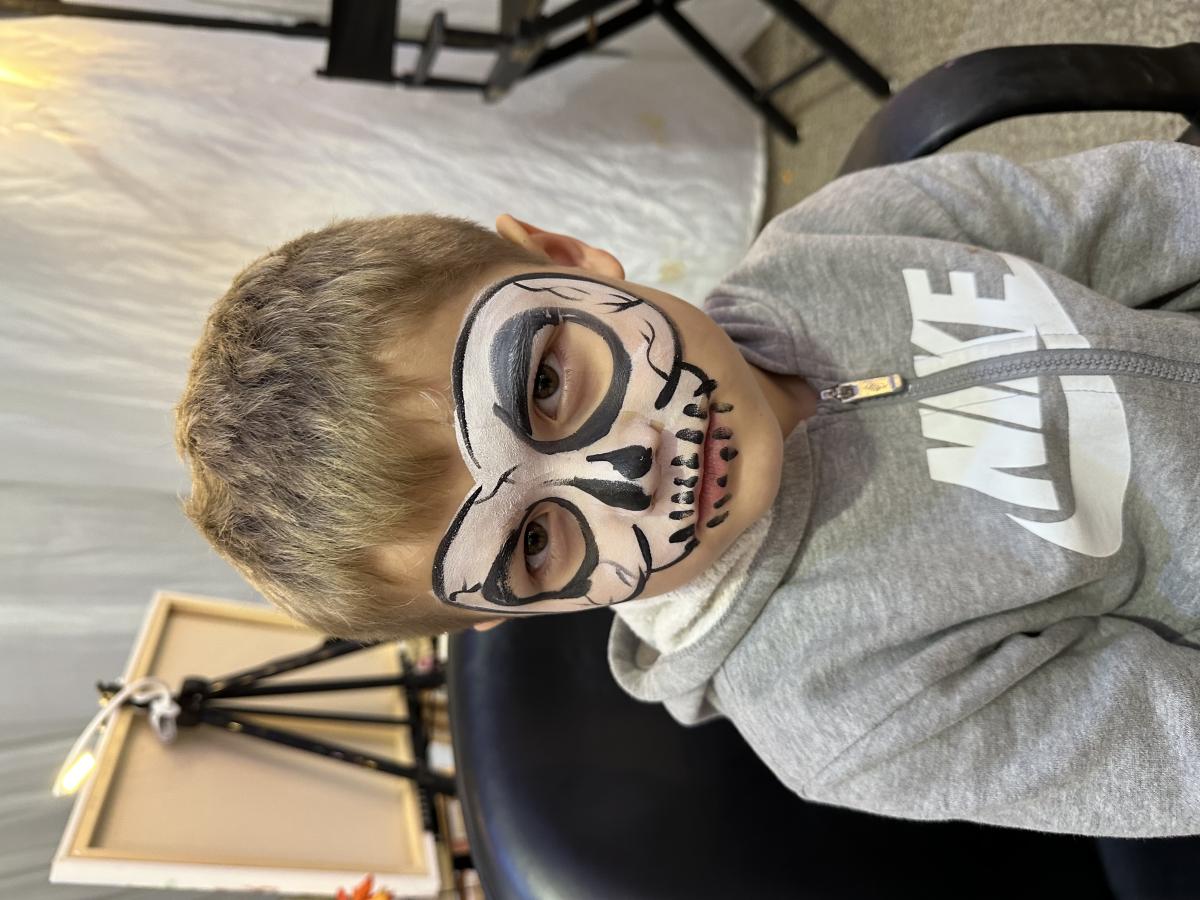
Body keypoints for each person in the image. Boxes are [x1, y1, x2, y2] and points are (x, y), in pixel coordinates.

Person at [175, 140, 1200, 837]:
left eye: (545, 385)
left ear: (563, 257)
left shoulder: (835, 239)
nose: (626, 473)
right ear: (509, 612)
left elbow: (1137, 209)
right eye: (532, 540)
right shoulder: (849, 713)